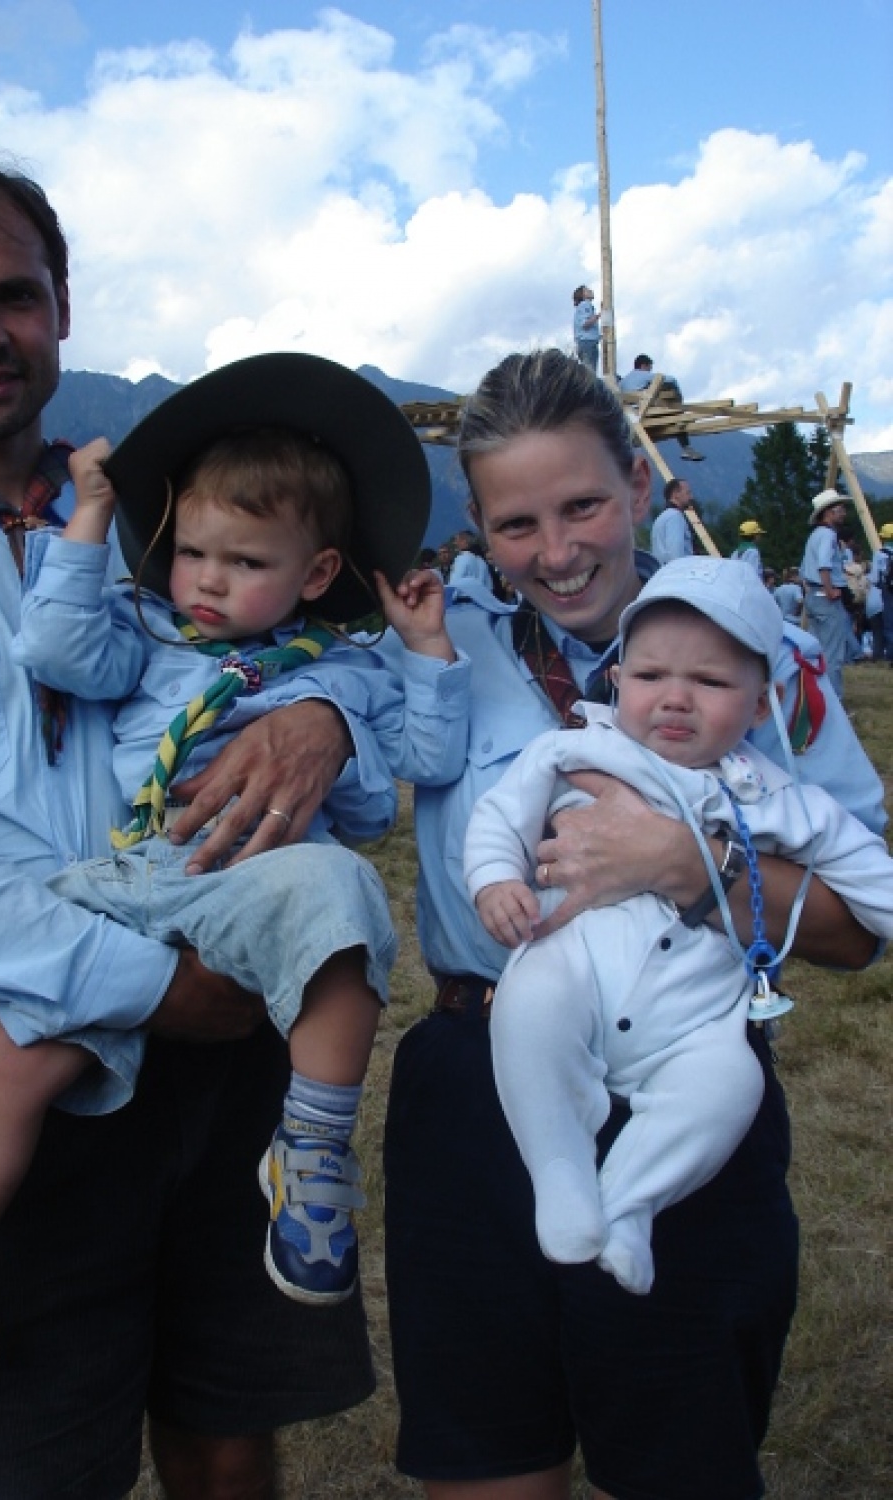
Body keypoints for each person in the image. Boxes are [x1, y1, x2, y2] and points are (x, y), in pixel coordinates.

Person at [0, 160, 384, 1500]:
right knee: (20, 1473)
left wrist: (327, 711)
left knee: (227, 1435)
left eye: (14, 294)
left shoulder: (165, 515)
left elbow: (307, 631)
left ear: (60, 308)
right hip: (9, 1046)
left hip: (228, 1063)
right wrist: (155, 986)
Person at [0, 352, 455, 1399]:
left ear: (315, 572)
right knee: (17, 1046)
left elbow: (409, 774)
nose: (206, 580)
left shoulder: (341, 669)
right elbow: (56, 650)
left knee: (341, 901)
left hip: (243, 885)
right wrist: (92, 520)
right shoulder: (146, 636)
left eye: (244, 561)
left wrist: (418, 658)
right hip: (129, 878)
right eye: (189, 553)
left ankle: (314, 1151)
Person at [377, 349, 884, 1500]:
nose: (555, 552)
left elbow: (857, 929)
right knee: (487, 1461)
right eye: (515, 524)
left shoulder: (768, 662)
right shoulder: (434, 637)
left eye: (583, 506)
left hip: (681, 1067)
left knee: (675, 1463)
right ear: (476, 526)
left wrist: (693, 869)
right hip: (479, 1071)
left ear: (640, 486)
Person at [463, 557, 893, 1299]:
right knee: (530, 1008)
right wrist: (495, 880)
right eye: (651, 675)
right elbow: (500, 816)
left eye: (712, 682)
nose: (675, 698)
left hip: (696, 1021)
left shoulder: (782, 798)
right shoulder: (575, 749)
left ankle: (631, 1203)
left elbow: (868, 878)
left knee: (730, 1084)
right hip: (576, 969)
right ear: (618, 679)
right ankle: (560, 1173)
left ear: (760, 706)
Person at [801, 488, 853, 696]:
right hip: (826, 597)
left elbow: (805, 569)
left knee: (816, 651)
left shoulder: (815, 535)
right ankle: (833, 702)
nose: (844, 513)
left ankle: (813, 695)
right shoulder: (829, 535)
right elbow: (824, 564)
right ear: (829, 512)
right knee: (833, 654)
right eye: (840, 509)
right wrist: (829, 589)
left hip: (813, 595)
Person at [621, 354, 704, 461]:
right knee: (678, 418)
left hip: (630, 417)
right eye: (649, 368)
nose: (650, 371)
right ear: (643, 365)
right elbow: (671, 379)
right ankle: (686, 448)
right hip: (646, 413)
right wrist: (679, 399)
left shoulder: (623, 382)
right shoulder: (643, 375)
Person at [649, 477, 697, 564]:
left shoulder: (663, 517)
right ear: (676, 494)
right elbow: (675, 553)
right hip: (677, 570)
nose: (691, 497)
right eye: (688, 493)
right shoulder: (675, 517)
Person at [872, 523, 893, 665]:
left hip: (888, 591)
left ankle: (891, 655)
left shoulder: (880, 554)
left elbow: (874, 578)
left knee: (889, 625)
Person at [572, 285, 600, 372]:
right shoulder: (585, 304)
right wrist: (600, 315)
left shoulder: (583, 306)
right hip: (587, 343)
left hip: (585, 343)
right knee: (590, 373)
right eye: (587, 290)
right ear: (583, 295)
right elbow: (585, 324)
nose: (590, 291)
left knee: (588, 372)